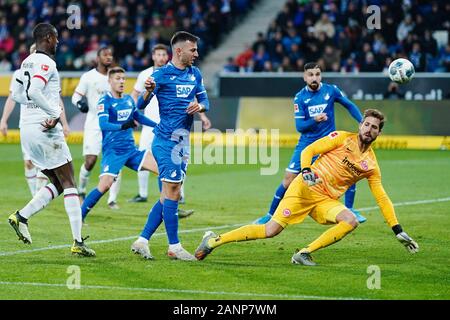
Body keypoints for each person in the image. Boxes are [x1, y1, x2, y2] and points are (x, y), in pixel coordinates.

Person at [195, 109, 419, 265]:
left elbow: (382, 198)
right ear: (360, 125)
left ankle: (304, 253)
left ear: (379, 133)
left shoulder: (371, 165)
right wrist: (306, 170)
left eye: (374, 127)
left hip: (325, 200)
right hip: (304, 188)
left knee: (349, 221)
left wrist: (397, 229)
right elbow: (308, 150)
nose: (369, 129)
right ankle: (214, 240)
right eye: (366, 124)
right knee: (270, 231)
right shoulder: (341, 138)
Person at [7, 23, 95, 257]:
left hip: (27, 128)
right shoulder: (47, 62)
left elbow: (17, 94)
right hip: (44, 130)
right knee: (70, 183)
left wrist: (36, 111)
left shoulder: (26, 61)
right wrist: (53, 114)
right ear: (47, 37)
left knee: (57, 183)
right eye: (56, 38)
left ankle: (21, 216)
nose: (58, 42)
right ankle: (77, 241)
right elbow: (35, 91)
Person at [253, 62, 367, 225]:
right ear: (305, 77)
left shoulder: (331, 90)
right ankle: (270, 215)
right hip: (307, 144)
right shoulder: (300, 98)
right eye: (311, 75)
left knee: (348, 171)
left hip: (329, 144)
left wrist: (362, 122)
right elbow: (300, 127)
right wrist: (314, 120)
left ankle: (351, 209)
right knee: (288, 179)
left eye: (317, 74)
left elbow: (349, 105)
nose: (315, 78)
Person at [131, 31, 209, 261]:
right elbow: (140, 105)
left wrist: (200, 108)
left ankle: (142, 240)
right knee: (172, 191)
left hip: (183, 143)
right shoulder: (162, 75)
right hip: (166, 142)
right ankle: (174, 246)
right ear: (179, 51)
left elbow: (205, 100)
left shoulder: (195, 73)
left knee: (168, 195)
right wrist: (147, 90)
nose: (196, 53)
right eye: (192, 50)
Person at [80, 67, 159, 222]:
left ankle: (169, 209)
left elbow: (138, 117)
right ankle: (79, 216)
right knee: (105, 185)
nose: (122, 81)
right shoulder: (105, 101)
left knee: (163, 170)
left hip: (131, 150)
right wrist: (123, 126)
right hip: (113, 151)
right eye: (117, 78)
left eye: (123, 78)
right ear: (109, 81)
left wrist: (157, 126)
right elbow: (103, 124)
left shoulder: (129, 99)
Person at [1, 44, 71, 196]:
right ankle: (36, 195)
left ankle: (39, 196)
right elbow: (13, 97)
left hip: (46, 121)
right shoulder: (20, 73)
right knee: (29, 162)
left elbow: (57, 99)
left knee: (46, 164)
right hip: (28, 122)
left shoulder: (48, 71)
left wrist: (64, 123)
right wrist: (3, 120)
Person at [71, 46, 122, 210]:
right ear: (97, 59)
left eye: (110, 55)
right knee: (90, 161)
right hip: (94, 124)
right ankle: (81, 189)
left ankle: (112, 199)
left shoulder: (115, 76)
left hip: (112, 126)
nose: (108, 57)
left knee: (116, 161)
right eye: (105, 55)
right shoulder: (88, 77)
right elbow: (75, 96)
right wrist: (80, 103)